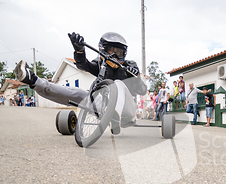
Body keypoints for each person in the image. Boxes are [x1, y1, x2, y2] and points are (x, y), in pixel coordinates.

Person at [14, 32, 146, 127]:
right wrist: (79, 51)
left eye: (118, 52)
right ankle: (33, 80)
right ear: (102, 50)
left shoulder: (130, 65)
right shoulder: (100, 64)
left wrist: (136, 78)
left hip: (126, 110)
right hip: (103, 105)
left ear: (124, 54)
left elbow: (143, 91)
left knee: (117, 84)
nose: (114, 55)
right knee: (76, 93)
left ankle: (115, 114)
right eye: (110, 50)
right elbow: (83, 65)